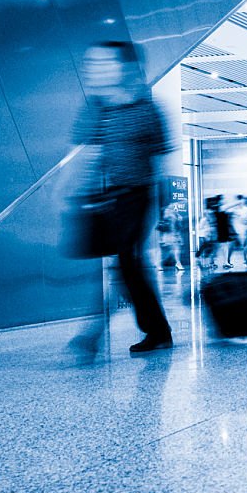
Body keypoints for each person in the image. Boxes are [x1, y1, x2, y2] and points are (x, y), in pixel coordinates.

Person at [69, 41, 173, 354]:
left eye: (102, 62)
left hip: (139, 194)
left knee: (127, 259)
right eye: (90, 62)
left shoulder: (148, 107)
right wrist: (75, 190)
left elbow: (161, 158)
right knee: (123, 265)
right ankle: (144, 330)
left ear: (124, 67)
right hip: (107, 196)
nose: (92, 68)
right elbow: (89, 153)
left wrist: (161, 201)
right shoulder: (96, 107)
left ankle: (100, 332)